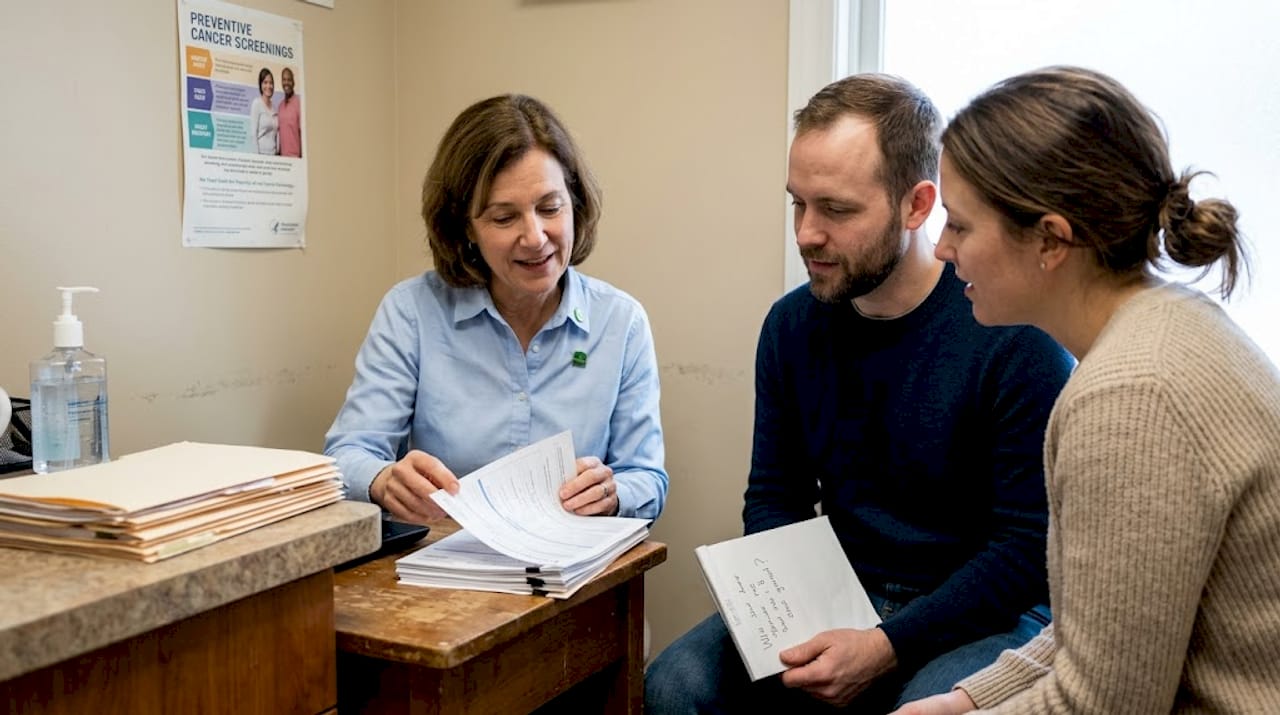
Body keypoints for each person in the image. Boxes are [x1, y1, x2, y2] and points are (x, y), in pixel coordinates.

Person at [644, 74, 1074, 713]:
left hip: (985, 612)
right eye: (798, 203)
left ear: (917, 206)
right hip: (843, 590)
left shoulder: (1013, 334)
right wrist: (793, 622)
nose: (806, 234)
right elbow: (774, 497)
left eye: (837, 210)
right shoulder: (791, 327)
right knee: (675, 686)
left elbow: (1025, 551)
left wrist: (886, 645)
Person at [893, 66, 1280, 714]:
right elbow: (1100, 631)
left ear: (1050, 240)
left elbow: (1103, 703)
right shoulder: (1162, 324)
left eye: (959, 225)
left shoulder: (1132, 398)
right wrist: (964, 700)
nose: (939, 249)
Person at [324, 94, 667, 524]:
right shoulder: (412, 311)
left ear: (575, 203)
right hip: (443, 565)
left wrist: (613, 493)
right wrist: (383, 479)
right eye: (504, 218)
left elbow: (647, 477)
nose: (536, 236)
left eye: (550, 208)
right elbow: (347, 454)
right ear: (464, 227)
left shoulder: (621, 322)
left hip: (571, 572)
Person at [250, 67, 278, 155]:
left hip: (273, 156)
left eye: (271, 83)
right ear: (260, 85)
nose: (269, 86)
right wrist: (258, 160)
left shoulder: (274, 108)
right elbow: (253, 134)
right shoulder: (257, 103)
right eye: (265, 82)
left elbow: (276, 134)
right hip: (261, 155)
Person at [277, 67, 302, 158]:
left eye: (289, 80)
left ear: (293, 82)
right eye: (284, 80)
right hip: (283, 161)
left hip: (296, 159)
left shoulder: (299, 103)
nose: (286, 82)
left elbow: (302, 135)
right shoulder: (280, 106)